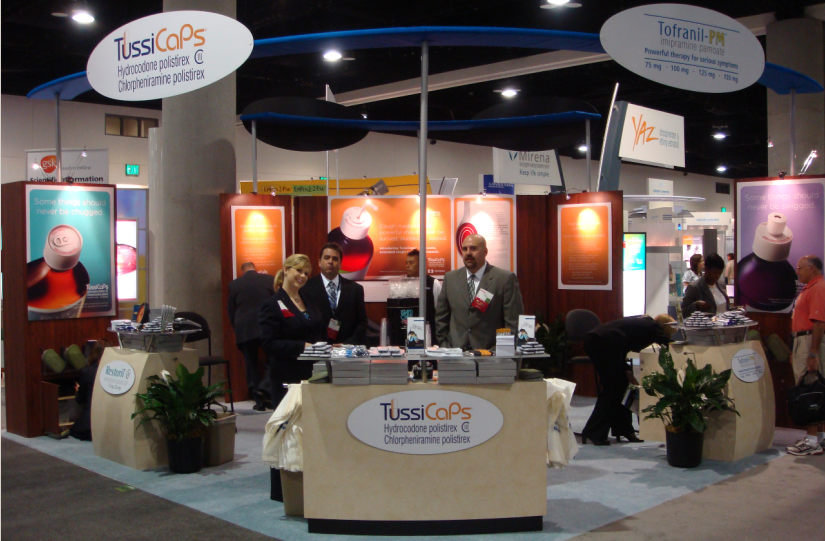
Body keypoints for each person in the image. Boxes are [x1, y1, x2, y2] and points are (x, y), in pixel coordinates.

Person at [581, 315, 676, 446]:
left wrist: (627, 371)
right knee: (612, 389)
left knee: (621, 386)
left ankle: (624, 430)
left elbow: (621, 345)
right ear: (664, 328)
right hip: (604, 344)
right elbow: (666, 343)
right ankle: (593, 431)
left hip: (597, 341)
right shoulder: (653, 327)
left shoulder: (644, 323)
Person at [259, 254, 327, 408]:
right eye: (299, 270)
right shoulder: (272, 304)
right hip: (287, 375)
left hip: (314, 373)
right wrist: (303, 346)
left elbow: (319, 329)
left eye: (306, 273)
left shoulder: (310, 299)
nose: (302, 276)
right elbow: (270, 344)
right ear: (286, 270)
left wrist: (326, 346)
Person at [435, 234, 524, 349]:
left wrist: (501, 350)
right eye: (465, 249)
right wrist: (444, 344)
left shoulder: (504, 279)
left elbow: (513, 322)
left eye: (473, 248)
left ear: (485, 252)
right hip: (456, 355)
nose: (468, 253)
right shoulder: (450, 278)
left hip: (491, 356)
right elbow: (441, 318)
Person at [785, 255, 825, 457]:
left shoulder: (818, 287)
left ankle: (811, 440)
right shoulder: (812, 287)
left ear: (811, 268)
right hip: (804, 341)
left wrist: (812, 353)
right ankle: (820, 437)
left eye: (799, 268)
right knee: (817, 388)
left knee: (808, 387)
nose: (797, 272)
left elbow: (818, 323)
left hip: (809, 341)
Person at [227, 261, 276, 411]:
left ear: (243, 271)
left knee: (251, 364)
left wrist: (237, 329)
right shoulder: (269, 279)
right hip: (267, 326)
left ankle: (258, 399)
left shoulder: (234, 285)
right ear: (255, 269)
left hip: (245, 329)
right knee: (273, 359)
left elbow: (231, 310)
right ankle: (266, 388)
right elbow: (276, 303)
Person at [302, 243, 368, 346]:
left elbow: (362, 322)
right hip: (318, 351)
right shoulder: (306, 288)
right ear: (319, 262)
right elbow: (304, 322)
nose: (330, 262)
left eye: (335, 259)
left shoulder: (355, 289)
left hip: (348, 351)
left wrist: (347, 344)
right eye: (326, 258)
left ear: (340, 264)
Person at [70, 339, 113, 441]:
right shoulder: (114, 372)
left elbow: (80, 399)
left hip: (90, 426)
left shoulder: (87, 372)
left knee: (74, 430)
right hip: (110, 425)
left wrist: (78, 390)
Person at [405, 249, 442, 343]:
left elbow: (440, 312)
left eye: (411, 263)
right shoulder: (403, 284)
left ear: (421, 264)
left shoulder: (433, 283)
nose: (407, 266)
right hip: (409, 334)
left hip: (429, 334)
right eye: (406, 263)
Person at [682, 253, 729, 317]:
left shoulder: (719, 285)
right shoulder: (694, 288)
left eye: (720, 273)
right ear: (706, 269)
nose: (717, 276)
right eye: (715, 272)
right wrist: (696, 305)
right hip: (706, 326)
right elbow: (683, 313)